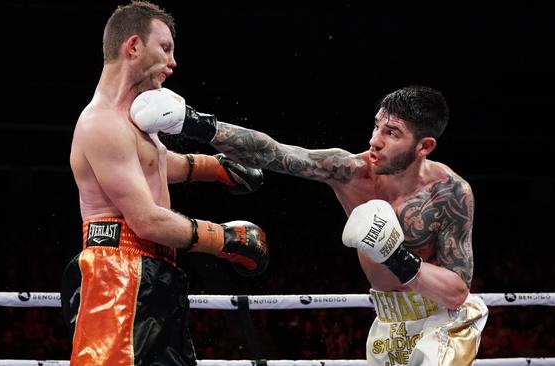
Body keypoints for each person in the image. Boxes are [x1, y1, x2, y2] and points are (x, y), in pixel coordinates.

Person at [130, 85, 489, 365]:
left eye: (392, 133)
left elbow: (458, 292)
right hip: (389, 322)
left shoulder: (449, 194)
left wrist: (395, 256)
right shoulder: (350, 172)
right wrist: (193, 123)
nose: (374, 140)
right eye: (377, 125)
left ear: (424, 146)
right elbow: (275, 153)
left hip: (442, 320)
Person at [60, 2, 269, 365]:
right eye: (166, 48)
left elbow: (157, 164)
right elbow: (147, 220)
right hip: (118, 275)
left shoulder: (132, 121)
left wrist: (217, 167)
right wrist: (226, 239)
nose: (173, 63)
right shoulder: (102, 123)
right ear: (134, 46)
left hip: (154, 274)